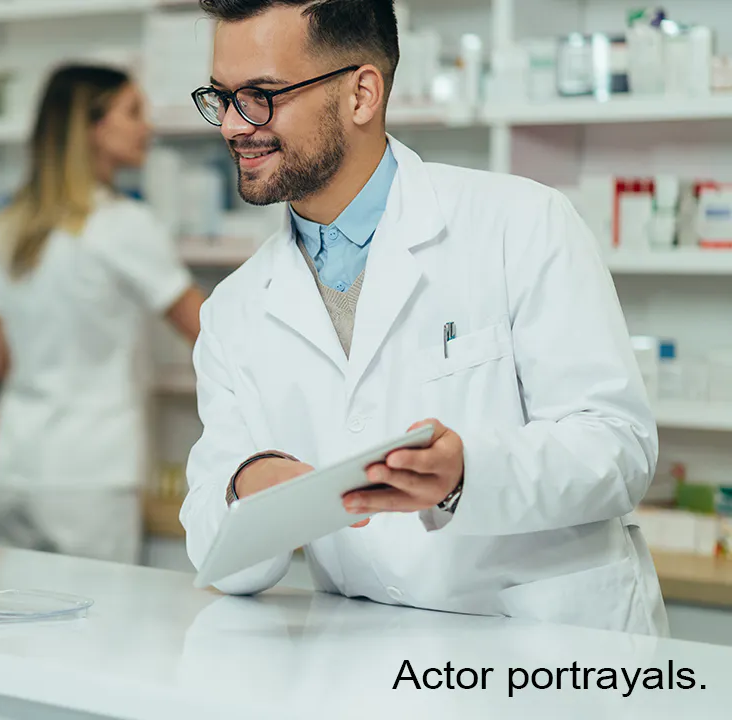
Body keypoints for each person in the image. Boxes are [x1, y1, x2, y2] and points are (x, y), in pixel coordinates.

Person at [181, 0, 667, 636]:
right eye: (222, 97)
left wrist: (466, 473)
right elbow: (222, 561)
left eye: (263, 95)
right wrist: (249, 488)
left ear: (361, 93)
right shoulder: (235, 310)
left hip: (548, 656)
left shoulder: (521, 224)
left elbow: (618, 447)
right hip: (369, 658)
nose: (234, 126)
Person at [0, 65, 205, 565]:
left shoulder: (10, 226)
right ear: (92, 127)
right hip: (92, 477)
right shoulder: (123, 224)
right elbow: (209, 332)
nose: (146, 126)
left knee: (16, 631)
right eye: (132, 112)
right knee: (95, 634)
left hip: (15, 468)